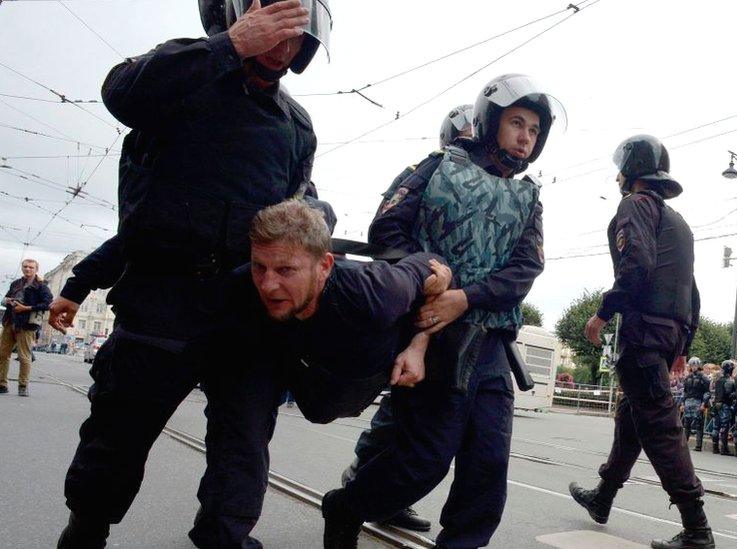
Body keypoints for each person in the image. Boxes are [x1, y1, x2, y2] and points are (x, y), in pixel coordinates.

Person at [50, 2, 333, 547]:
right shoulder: (183, 76)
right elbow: (122, 94)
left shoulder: (295, 125)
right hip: (161, 304)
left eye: (294, 36)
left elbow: (299, 196)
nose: (281, 45)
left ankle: (224, 540)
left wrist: (316, 217)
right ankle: (85, 531)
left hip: (245, 312)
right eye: (272, 28)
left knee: (243, 450)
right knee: (115, 445)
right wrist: (231, 45)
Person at [322, 74, 559, 549]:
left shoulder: (529, 197)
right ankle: (347, 506)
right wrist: (432, 281)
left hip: (490, 342)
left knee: (488, 464)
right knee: (423, 460)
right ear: (491, 122)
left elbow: (526, 267)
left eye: (534, 130)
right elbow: (388, 229)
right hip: (434, 338)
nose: (525, 137)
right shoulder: (437, 168)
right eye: (517, 123)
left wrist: (467, 297)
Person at [568, 134, 712, 549]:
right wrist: (683, 348)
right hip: (667, 335)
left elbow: (636, 265)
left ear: (629, 171)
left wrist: (603, 312)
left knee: (662, 428)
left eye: (620, 170)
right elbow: (693, 292)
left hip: (644, 332)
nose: (616, 178)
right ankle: (604, 496)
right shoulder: (678, 224)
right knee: (631, 417)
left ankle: (697, 528)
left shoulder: (634, 205)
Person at [338, 106, 476, 534]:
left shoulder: (496, 186)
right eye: (469, 134)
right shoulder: (429, 170)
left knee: (421, 414)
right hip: (419, 301)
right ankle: (363, 474)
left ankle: (384, 493)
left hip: (466, 313)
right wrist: (422, 271)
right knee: (405, 400)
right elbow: (386, 227)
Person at [0, 259, 53, 397]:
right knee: (3, 355)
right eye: (25, 267)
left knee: (24, 356)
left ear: (36, 269)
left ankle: (23, 385)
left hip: (27, 325)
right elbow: (5, 298)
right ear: (22, 268)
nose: (28, 269)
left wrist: (26, 308)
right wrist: (7, 300)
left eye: (31, 267)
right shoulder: (16, 283)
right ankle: (2, 384)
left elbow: (48, 304)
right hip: (9, 321)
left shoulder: (41, 286)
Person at [681, 357, 710, 451]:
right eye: (692, 365)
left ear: (698, 365)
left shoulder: (703, 378)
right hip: (688, 402)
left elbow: (707, 392)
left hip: (698, 402)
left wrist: (703, 404)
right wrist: (682, 403)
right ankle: (684, 444)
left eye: (695, 365)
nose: (693, 367)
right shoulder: (688, 378)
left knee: (699, 424)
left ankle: (698, 445)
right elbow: (684, 391)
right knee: (687, 424)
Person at [711, 360, 736, 456]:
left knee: (716, 427)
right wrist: (735, 394)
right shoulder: (728, 381)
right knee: (724, 427)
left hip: (717, 404)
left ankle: (715, 447)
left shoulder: (718, 380)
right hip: (725, 405)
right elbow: (729, 394)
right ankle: (724, 448)